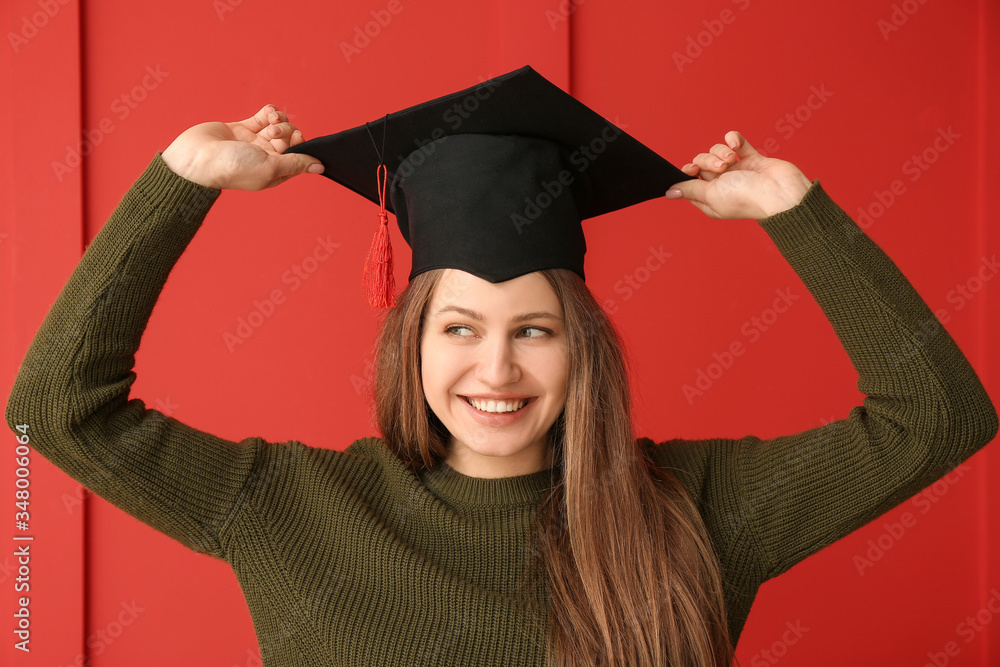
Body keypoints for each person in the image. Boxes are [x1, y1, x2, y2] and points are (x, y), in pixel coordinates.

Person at [5, 67, 997, 667]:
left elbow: (939, 418)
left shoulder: (698, 507)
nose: (496, 366)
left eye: (533, 329)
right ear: (411, 340)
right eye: (459, 327)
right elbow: (57, 410)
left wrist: (796, 210)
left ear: (582, 347)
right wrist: (179, 184)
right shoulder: (287, 504)